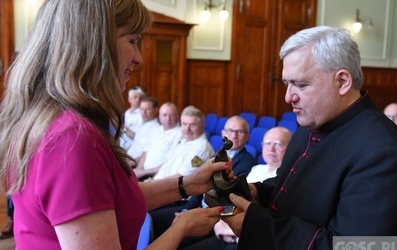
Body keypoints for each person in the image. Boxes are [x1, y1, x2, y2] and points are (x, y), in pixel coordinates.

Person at [0, 1, 234, 249]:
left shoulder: (54, 117)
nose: (139, 58)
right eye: (132, 41)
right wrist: (181, 228)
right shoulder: (72, 138)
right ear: (94, 44)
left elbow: (113, 199)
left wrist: (187, 184)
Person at [222, 26, 397, 249]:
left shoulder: (384, 151)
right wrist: (255, 192)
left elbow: (358, 246)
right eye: (287, 83)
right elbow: (294, 183)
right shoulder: (313, 118)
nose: (288, 97)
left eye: (301, 84)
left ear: (343, 81)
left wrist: (256, 224)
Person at [150, 115, 257, 249]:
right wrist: (187, 209)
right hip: (195, 206)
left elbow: (231, 199)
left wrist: (195, 214)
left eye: (240, 132)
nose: (234, 135)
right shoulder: (218, 155)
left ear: (247, 136)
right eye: (230, 131)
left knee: (176, 243)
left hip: (215, 216)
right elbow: (199, 187)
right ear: (223, 133)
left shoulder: (248, 163)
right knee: (152, 219)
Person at [182, 126, 292, 250]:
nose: (271, 148)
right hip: (223, 225)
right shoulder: (257, 169)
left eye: (278, 144)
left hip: (246, 239)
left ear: (291, 149)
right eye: (267, 143)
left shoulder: (288, 180)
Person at [153, 105, 215, 180]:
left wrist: (151, 184)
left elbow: (181, 177)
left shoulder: (201, 149)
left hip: (169, 189)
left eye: (192, 125)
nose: (187, 129)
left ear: (202, 126)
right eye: (184, 124)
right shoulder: (183, 141)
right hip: (158, 183)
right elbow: (166, 167)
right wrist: (152, 180)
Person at [134, 102, 183, 180]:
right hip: (143, 173)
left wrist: (143, 172)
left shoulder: (180, 135)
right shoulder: (156, 130)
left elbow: (170, 164)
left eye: (172, 115)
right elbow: (146, 152)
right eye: (164, 115)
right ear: (159, 116)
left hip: (158, 177)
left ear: (178, 116)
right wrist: (138, 169)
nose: (168, 118)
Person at [120, 86, 146, 150]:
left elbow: (138, 137)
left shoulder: (143, 115)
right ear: (129, 99)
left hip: (133, 150)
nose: (138, 100)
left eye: (141, 98)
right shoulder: (126, 113)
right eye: (135, 97)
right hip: (121, 148)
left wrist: (122, 128)